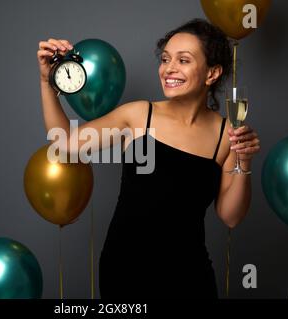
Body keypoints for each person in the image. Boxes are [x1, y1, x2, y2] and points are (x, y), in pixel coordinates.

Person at [37, 18, 260, 299]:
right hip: (125, 272)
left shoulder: (226, 135)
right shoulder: (139, 115)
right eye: (165, 59)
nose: (169, 68)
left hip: (189, 276)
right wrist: (47, 82)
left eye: (183, 60)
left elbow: (231, 217)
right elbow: (64, 143)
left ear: (212, 73)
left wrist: (244, 161)